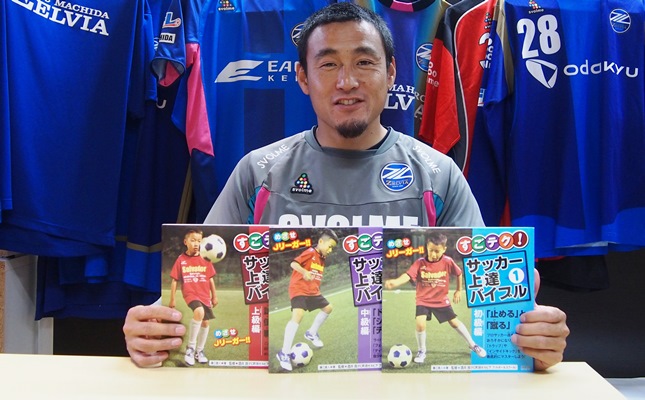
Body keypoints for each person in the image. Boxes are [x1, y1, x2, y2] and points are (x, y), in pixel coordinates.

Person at [123, 3, 569, 371]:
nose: (347, 81)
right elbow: (194, 270)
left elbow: (494, 299)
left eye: (364, 62)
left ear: (391, 72)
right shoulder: (259, 172)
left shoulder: (438, 174)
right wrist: (152, 330)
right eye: (328, 64)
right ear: (303, 78)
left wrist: (534, 337)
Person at [384, 232, 486, 364]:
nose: (433, 254)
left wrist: (458, 290)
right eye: (431, 250)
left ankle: (473, 345)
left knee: (454, 322)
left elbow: (459, 273)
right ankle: (422, 350)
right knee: (420, 323)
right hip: (423, 299)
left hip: (440, 300)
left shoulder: (448, 261)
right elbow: (408, 275)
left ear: (444, 249)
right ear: (427, 247)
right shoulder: (420, 263)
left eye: (437, 251)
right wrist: (396, 282)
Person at [276, 229, 339, 371]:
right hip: (299, 289)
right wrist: (304, 272)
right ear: (321, 241)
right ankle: (284, 353)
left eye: (332, 249)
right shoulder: (310, 252)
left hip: (312, 292)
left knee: (328, 308)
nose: (330, 250)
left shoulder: (322, 258)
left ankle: (311, 333)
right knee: (298, 315)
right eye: (329, 246)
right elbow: (293, 264)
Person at [168, 229, 218, 366]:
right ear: (186, 242)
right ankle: (190, 348)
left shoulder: (205, 257)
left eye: (199, 241)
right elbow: (174, 280)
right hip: (190, 293)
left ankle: (199, 351)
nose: (196, 244)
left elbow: (210, 278)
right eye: (193, 240)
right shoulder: (181, 260)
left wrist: (214, 296)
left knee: (205, 323)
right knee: (199, 312)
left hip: (204, 295)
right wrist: (172, 299)